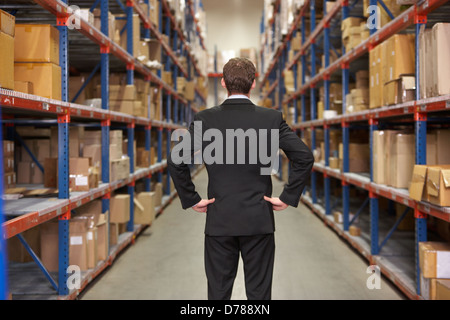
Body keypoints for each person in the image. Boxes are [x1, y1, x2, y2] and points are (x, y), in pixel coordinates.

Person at [168, 57, 314, 300]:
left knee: (219, 292)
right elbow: (304, 157)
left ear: (223, 83)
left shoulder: (205, 119)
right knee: (258, 294)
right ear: (253, 83)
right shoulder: (271, 118)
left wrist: (191, 198)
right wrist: (288, 196)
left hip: (219, 220)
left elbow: (176, 159)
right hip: (259, 219)